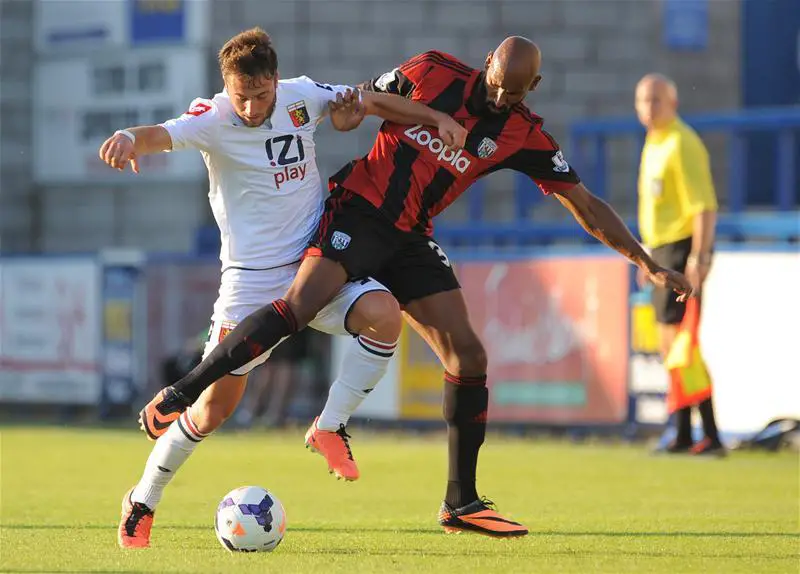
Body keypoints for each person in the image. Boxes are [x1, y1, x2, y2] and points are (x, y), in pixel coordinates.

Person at [142, 36, 694, 538]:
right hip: (358, 211)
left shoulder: (522, 133)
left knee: (468, 354)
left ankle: (461, 502)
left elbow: (586, 204)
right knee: (298, 306)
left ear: (533, 88)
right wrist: (353, 113)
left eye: (513, 93)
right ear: (487, 64)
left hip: (410, 239)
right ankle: (181, 392)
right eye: (496, 85)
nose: (500, 98)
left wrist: (646, 263)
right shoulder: (431, 70)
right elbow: (366, 99)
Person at [105, 27, 467, 549]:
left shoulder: (302, 95)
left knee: (385, 315)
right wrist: (127, 137)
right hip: (250, 284)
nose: (252, 108)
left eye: (261, 95)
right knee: (212, 411)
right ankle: (142, 500)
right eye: (242, 97)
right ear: (227, 88)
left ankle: (329, 426)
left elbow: (369, 102)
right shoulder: (212, 118)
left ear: (275, 80)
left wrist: (435, 118)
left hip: (314, 268)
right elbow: (160, 134)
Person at [634, 73, 724, 456]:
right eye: (643, 100)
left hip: (680, 248)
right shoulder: (653, 142)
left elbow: (703, 206)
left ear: (673, 103)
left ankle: (708, 433)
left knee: (682, 343)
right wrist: (645, 256)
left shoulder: (681, 142)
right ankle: (685, 431)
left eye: (656, 100)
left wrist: (698, 257)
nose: (649, 108)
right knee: (669, 344)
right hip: (660, 250)